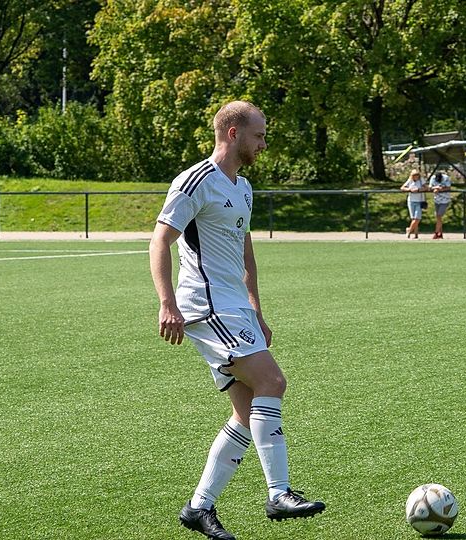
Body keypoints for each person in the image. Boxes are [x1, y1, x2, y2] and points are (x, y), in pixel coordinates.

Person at [149, 101, 325, 540]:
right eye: (259, 135)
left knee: (247, 414)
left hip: (234, 308)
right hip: (207, 306)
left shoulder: (243, 187)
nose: (263, 144)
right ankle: (279, 493)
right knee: (273, 382)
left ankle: (198, 507)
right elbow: (160, 241)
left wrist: (256, 310)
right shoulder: (195, 181)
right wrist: (167, 303)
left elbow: (245, 251)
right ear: (233, 133)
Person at [401, 170, 426, 239]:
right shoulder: (410, 180)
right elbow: (402, 188)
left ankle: (409, 231)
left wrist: (419, 189)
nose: (416, 176)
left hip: (419, 201)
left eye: (417, 175)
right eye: (414, 175)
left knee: (417, 218)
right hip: (411, 201)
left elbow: (426, 188)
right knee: (413, 218)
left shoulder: (421, 180)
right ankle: (416, 234)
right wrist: (410, 189)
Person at [429, 170, 452, 239]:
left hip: (445, 200)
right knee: (438, 217)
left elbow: (448, 187)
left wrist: (440, 189)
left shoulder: (446, 178)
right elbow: (430, 187)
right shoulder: (433, 178)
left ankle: (436, 233)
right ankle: (440, 233)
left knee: (439, 215)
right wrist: (435, 188)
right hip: (437, 200)